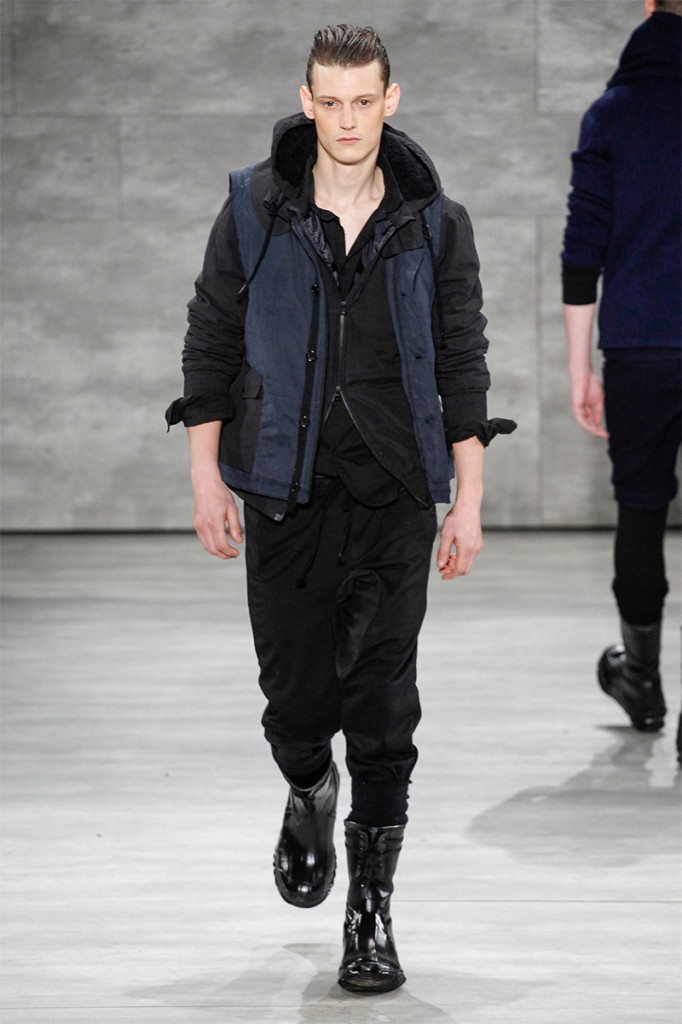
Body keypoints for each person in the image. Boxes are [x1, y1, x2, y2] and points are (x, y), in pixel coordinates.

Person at [166, 24, 514, 993]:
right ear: (307, 101)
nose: (349, 119)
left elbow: (463, 361)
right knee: (295, 704)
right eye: (332, 101)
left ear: (390, 100)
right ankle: (308, 783)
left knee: (384, 705)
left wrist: (468, 500)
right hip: (285, 492)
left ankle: (370, 915)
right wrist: (205, 476)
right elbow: (210, 343)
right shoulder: (254, 209)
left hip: (395, 494)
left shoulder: (435, 221)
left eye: (365, 101)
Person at [561, 0, 681, 755]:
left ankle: (641, 681)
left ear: (648, 4)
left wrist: (581, 366)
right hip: (643, 341)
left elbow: (583, 250)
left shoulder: (613, 114)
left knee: (640, 511)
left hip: (639, 347)